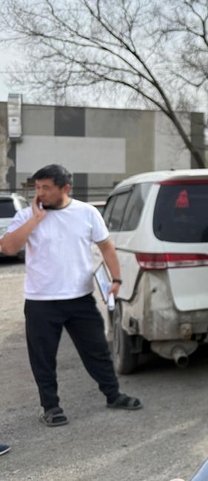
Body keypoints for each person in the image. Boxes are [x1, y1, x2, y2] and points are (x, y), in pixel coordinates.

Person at [2, 164, 142, 427]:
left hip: (80, 298)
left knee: (97, 350)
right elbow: (8, 248)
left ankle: (113, 395)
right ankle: (51, 407)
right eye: (37, 187)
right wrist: (35, 220)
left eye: (46, 188)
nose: (40, 193)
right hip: (40, 301)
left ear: (65, 188)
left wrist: (116, 279)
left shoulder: (87, 213)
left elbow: (106, 247)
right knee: (43, 358)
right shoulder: (26, 216)